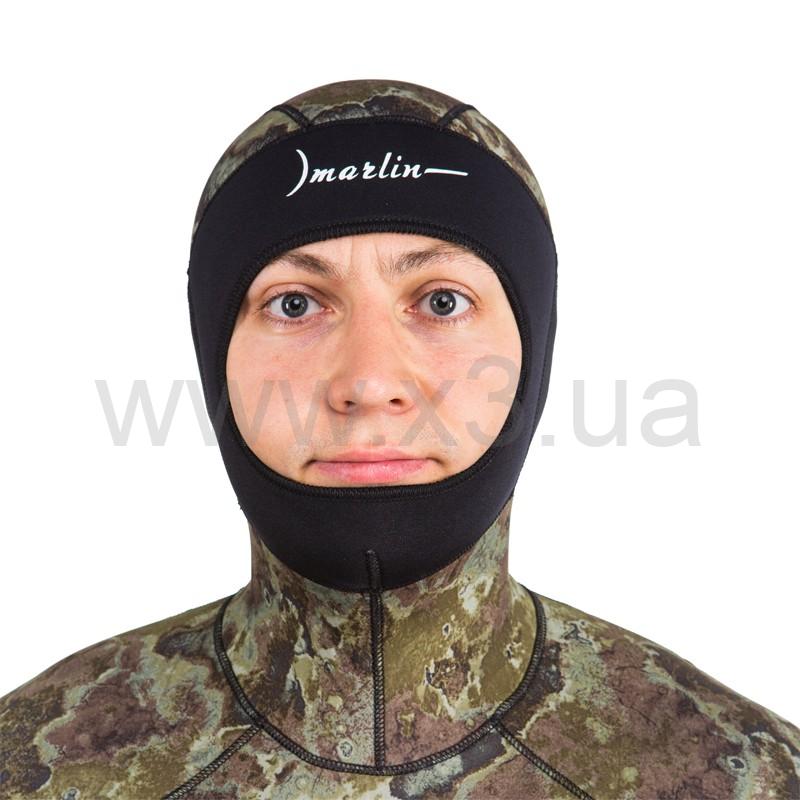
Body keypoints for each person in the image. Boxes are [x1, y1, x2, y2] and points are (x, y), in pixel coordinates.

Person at [1, 78, 798, 800]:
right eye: (294, 303)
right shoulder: (35, 765)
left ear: (533, 349)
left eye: (442, 301)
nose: (369, 380)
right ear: (215, 353)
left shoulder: (745, 775)